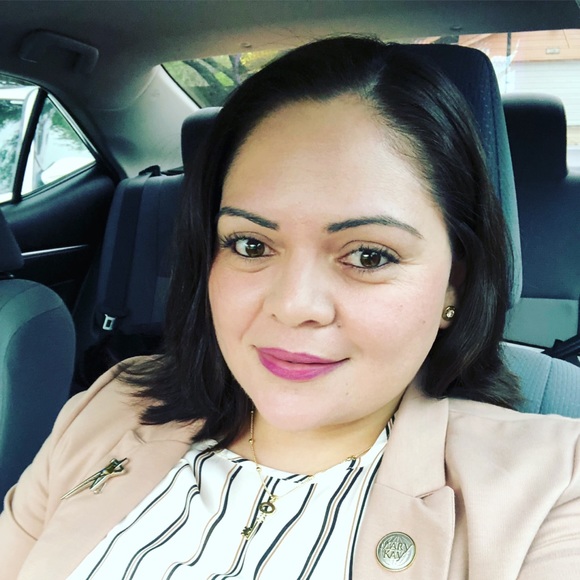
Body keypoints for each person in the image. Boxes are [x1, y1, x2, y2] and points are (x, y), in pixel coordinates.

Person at [1, 36, 579, 579]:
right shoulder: (110, 407)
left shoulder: (552, 490)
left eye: (369, 255)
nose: (294, 306)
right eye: (250, 246)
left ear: (455, 283)